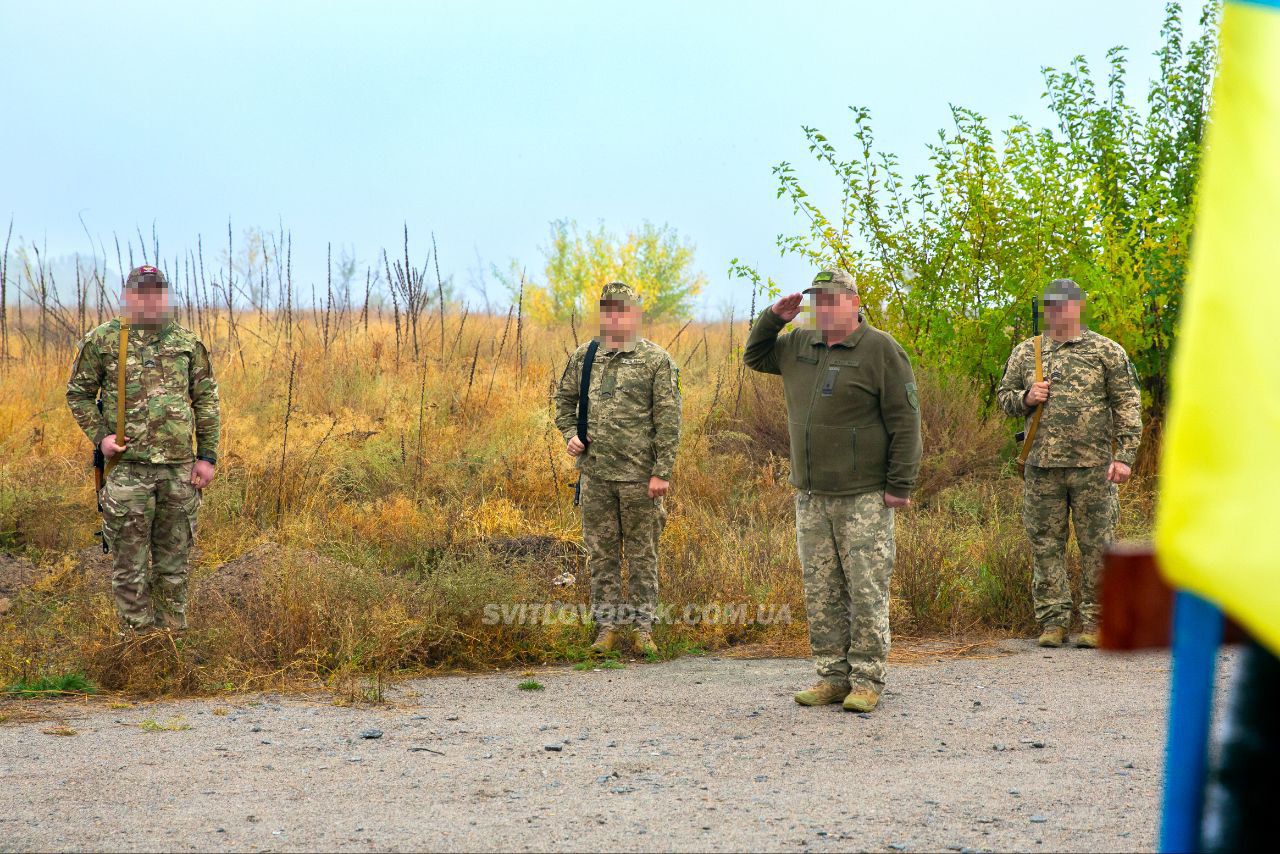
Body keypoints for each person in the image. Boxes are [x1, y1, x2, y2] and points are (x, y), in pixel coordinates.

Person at [744, 269, 921, 712]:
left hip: (864, 495)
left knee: (865, 589)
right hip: (811, 495)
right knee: (821, 589)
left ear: (854, 302)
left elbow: (905, 422)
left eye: (831, 300)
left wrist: (900, 484)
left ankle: (866, 680)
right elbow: (755, 356)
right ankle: (832, 676)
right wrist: (772, 318)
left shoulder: (880, 350)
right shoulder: (800, 345)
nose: (822, 308)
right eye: (816, 301)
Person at [66, 265, 220, 632]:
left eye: (156, 292)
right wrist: (102, 437)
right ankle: (137, 650)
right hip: (128, 472)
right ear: (129, 295)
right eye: (141, 293)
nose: (149, 299)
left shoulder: (187, 343)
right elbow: (79, 394)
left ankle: (170, 648)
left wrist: (206, 457)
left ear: (164, 297)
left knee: (173, 569)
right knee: (130, 569)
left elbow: (206, 402)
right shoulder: (103, 341)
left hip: (179, 473)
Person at [997, 278, 1142, 648]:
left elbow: (1127, 404)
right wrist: (1027, 397)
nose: (1057, 312)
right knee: (1045, 544)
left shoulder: (1106, 351)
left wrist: (1124, 457)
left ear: (1077, 307)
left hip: (1093, 467)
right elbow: (1004, 399)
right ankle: (1053, 622)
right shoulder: (1027, 353)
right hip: (1041, 467)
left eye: (1064, 305)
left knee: (1098, 545)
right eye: (1051, 306)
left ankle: (1096, 622)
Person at [553, 282, 682, 656]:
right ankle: (606, 629)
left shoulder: (656, 360)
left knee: (643, 556)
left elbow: (669, 421)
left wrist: (662, 472)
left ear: (635, 314)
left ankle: (644, 631)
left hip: (641, 480)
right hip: (595, 478)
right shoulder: (586, 356)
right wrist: (569, 434)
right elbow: (564, 400)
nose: (615, 316)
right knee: (602, 556)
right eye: (609, 309)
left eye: (622, 310)